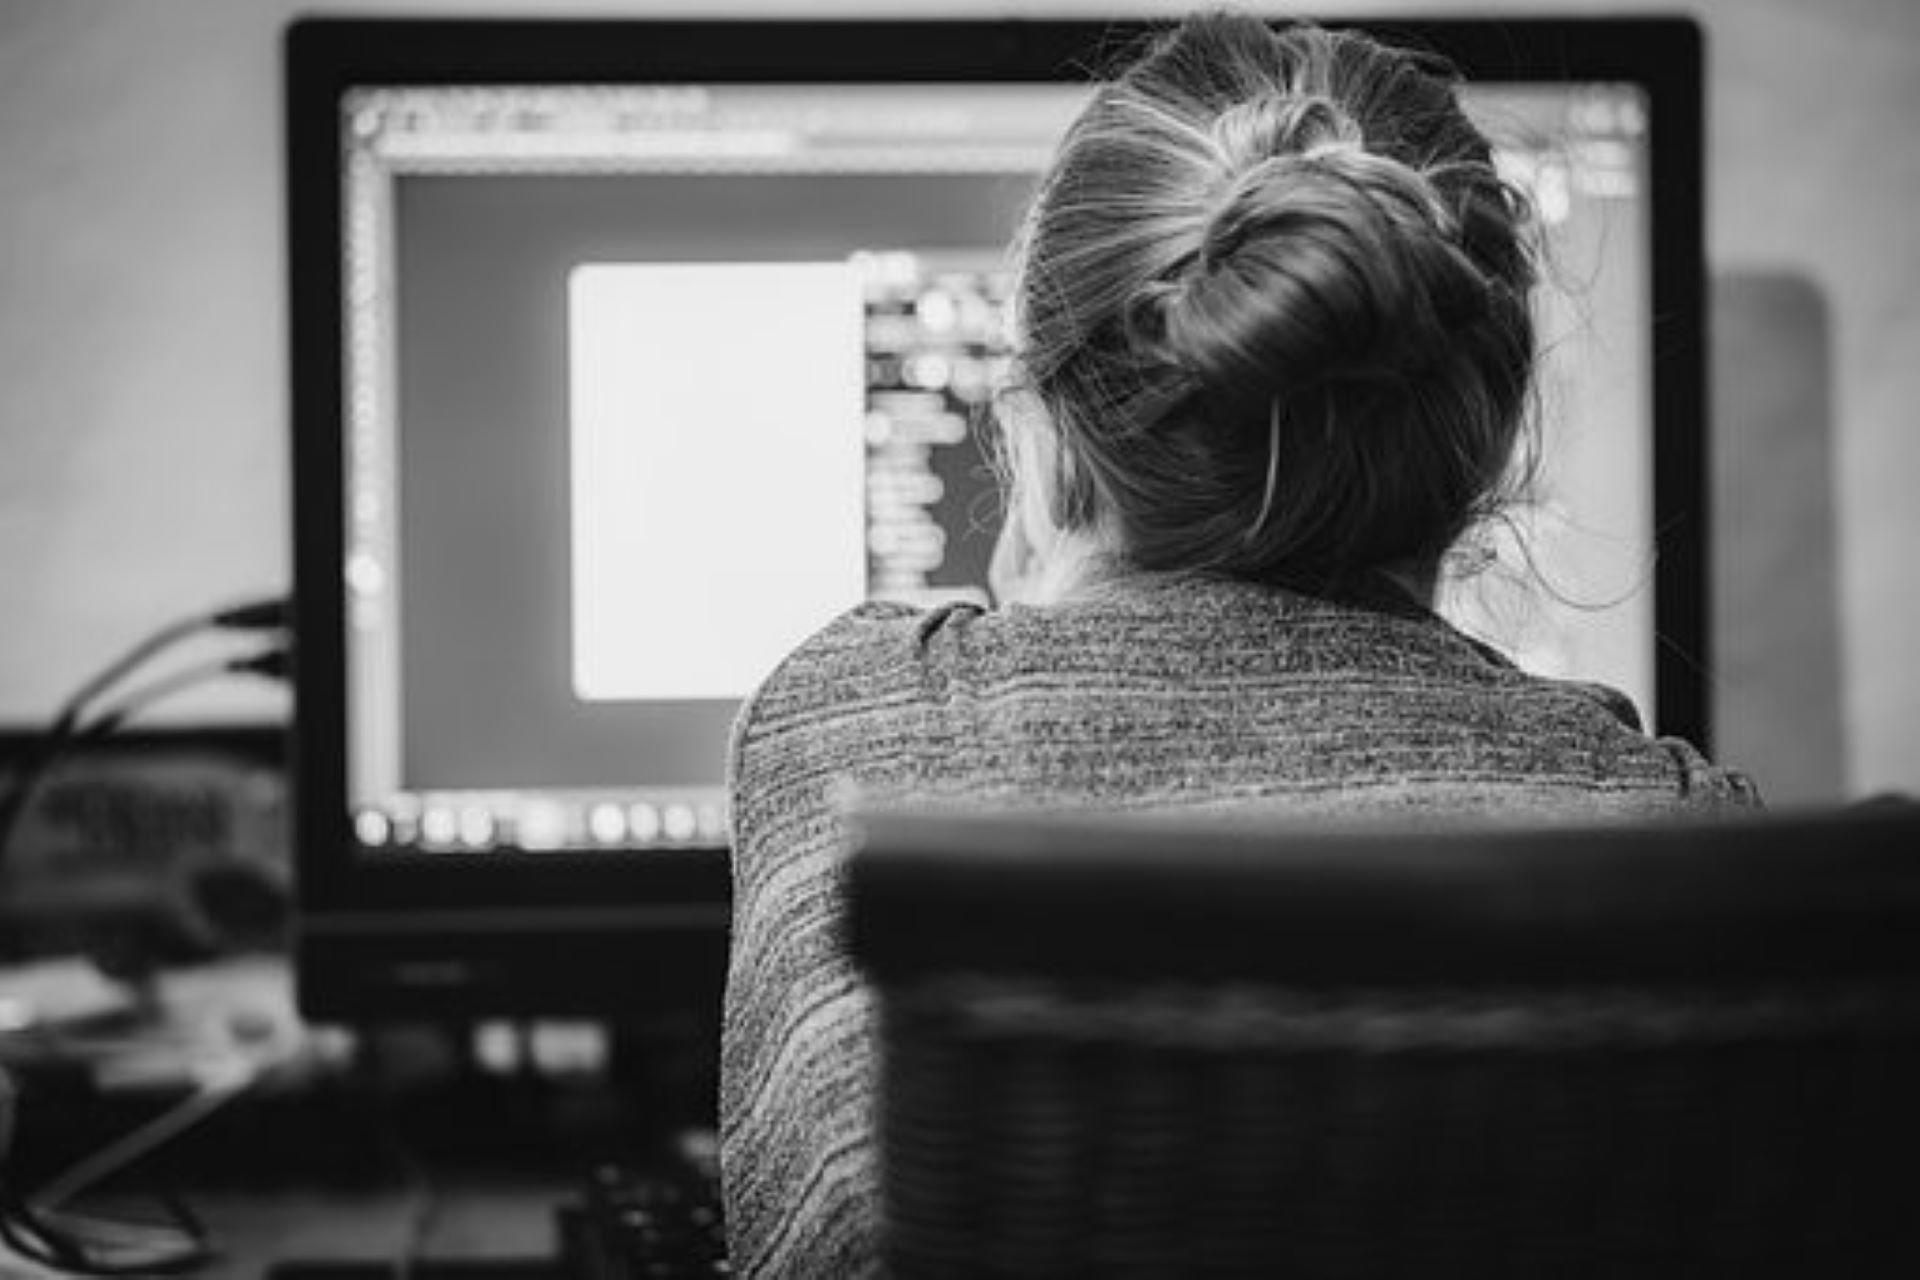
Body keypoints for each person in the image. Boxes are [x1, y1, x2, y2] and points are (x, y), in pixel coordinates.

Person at [719, 13, 1758, 1275]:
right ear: (1486, 457)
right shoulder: (1688, 841)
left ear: (1042, 440)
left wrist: (1042, 620)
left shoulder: (855, 732)